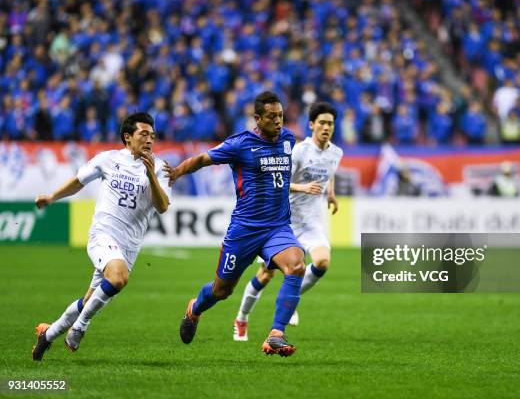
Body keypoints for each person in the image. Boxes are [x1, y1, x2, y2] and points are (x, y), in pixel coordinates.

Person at [165, 91, 305, 357]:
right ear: (257, 118)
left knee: (297, 265)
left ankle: (276, 333)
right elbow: (203, 159)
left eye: (281, 116)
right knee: (221, 290)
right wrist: (176, 172)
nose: (278, 122)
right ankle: (195, 308)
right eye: (272, 117)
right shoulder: (240, 144)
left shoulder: (288, 139)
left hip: (277, 227)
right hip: (244, 230)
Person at [31, 112, 171, 361]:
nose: (150, 139)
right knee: (118, 278)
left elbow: (162, 206)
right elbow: (79, 181)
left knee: (89, 299)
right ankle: (80, 328)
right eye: (143, 134)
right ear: (127, 137)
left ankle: (48, 335)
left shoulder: (160, 168)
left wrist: (150, 175)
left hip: (129, 245)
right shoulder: (108, 159)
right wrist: (52, 197)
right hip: (102, 234)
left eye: (152, 135)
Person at [233, 102, 343, 342]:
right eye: (322, 123)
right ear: (312, 125)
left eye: (330, 124)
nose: (326, 127)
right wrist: (302, 187)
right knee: (265, 275)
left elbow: (329, 172)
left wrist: (331, 193)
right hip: (284, 221)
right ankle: (242, 318)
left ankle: (290, 301)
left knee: (322, 262)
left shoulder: (336, 152)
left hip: (312, 222)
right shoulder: (298, 151)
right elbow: (277, 180)